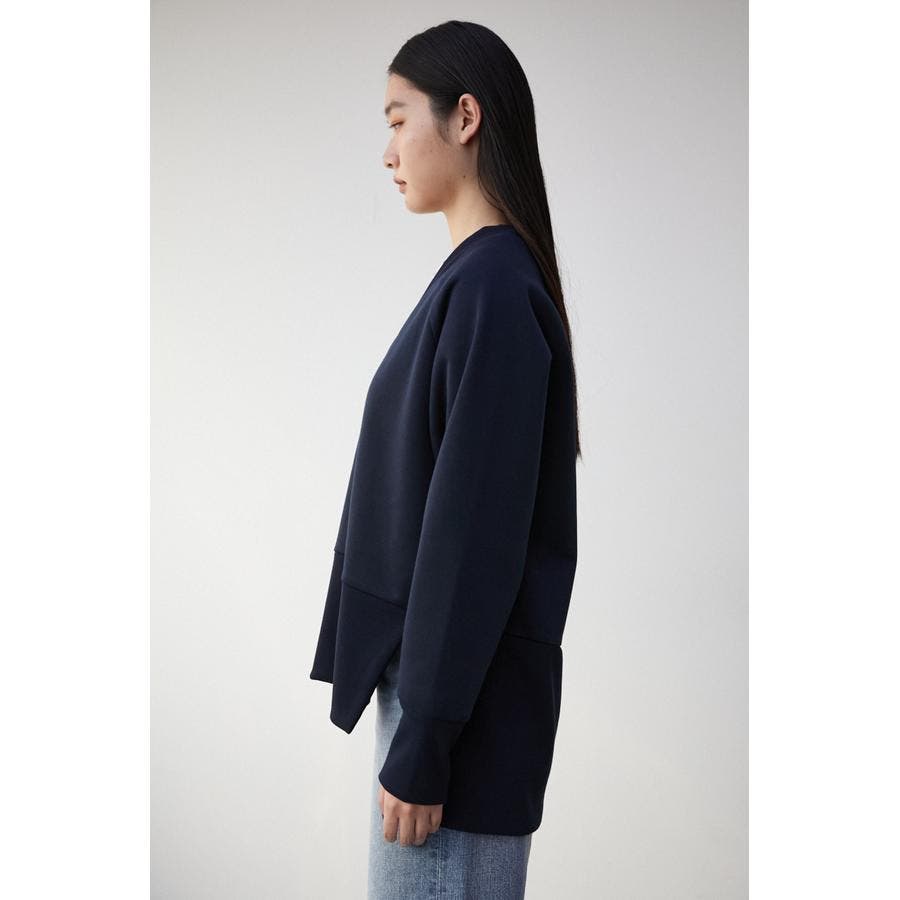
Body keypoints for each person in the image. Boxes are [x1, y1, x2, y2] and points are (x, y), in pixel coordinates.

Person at [310, 20, 581, 899]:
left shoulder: (493, 291)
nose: (388, 151)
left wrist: (425, 740)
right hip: (450, 707)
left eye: (399, 120)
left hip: (459, 734)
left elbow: (472, 540)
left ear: (464, 118)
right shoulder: (482, 282)